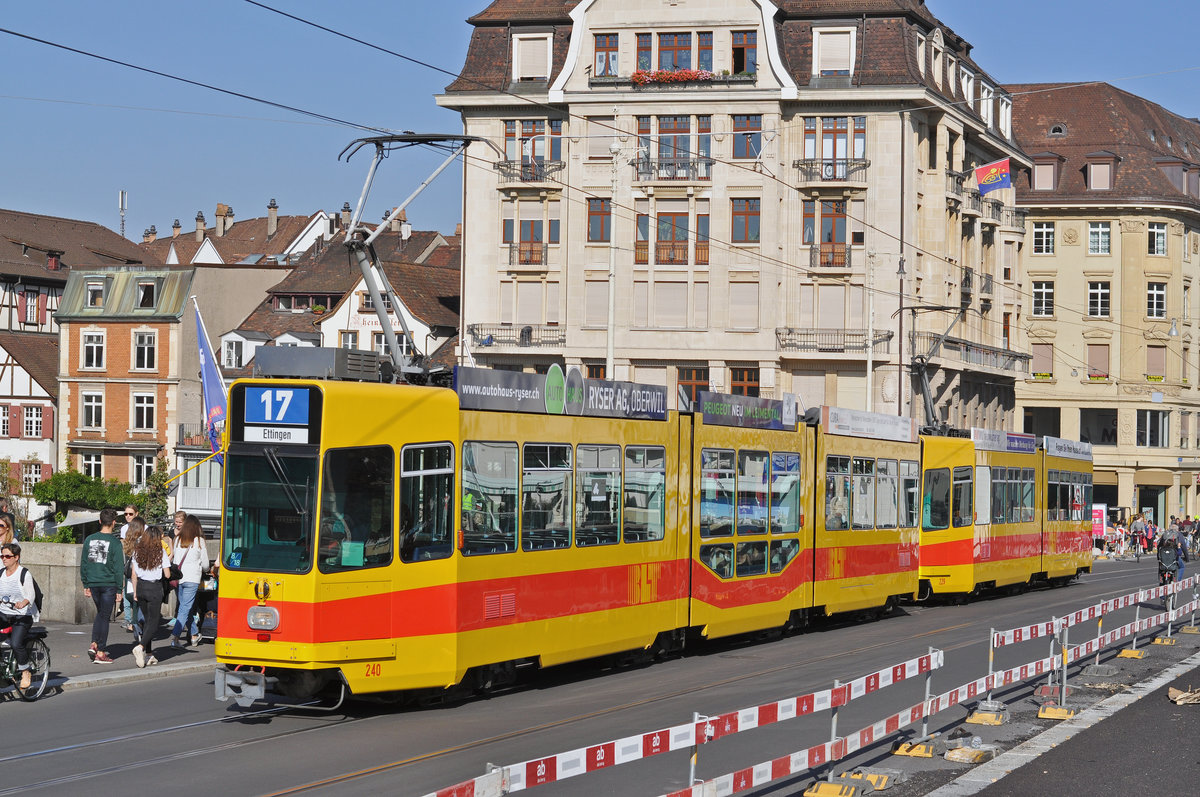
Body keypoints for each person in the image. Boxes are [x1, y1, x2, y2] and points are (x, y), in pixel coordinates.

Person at [79, 508, 123, 664]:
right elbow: (119, 568)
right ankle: (101, 651)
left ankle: (95, 643)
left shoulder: (89, 539)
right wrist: (120, 588)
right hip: (109, 583)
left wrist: (86, 583)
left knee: (101, 614)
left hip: (93, 582)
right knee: (104, 616)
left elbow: (84, 563)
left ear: (99, 521)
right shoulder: (115, 543)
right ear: (114, 523)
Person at [130, 525, 170, 668]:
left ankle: (149, 654)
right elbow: (167, 574)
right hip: (154, 588)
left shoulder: (137, 551)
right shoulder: (160, 552)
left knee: (147, 622)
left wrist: (135, 592)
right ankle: (140, 647)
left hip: (140, 587)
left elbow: (133, 574)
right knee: (153, 622)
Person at [0, 543, 39, 689]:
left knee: (16, 643)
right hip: (5, 613)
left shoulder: (24, 574)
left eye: (7, 556)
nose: (4, 559)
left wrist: (23, 602)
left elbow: (31, 595)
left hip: (22, 615)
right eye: (2, 556)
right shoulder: (1, 574)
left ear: (16, 557)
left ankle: (25, 671)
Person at [169, 515, 210, 648]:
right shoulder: (199, 541)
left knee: (186, 608)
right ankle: (175, 637)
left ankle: (193, 634)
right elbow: (205, 565)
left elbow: (175, 561)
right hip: (192, 579)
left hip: (179, 578)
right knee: (185, 608)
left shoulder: (177, 539)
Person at [119, 506, 140, 632]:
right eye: (125, 514)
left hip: (138, 562)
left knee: (135, 591)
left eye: (130, 514)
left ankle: (135, 618)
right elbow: (123, 545)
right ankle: (128, 618)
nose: (127, 516)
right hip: (128, 561)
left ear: (136, 514)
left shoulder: (143, 527)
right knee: (126, 589)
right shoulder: (124, 528)